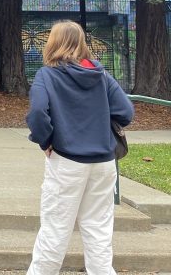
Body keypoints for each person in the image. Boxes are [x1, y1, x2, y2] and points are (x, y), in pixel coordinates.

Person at [25, 20, 134, 275]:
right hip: (104, 162)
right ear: (82, 43)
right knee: (98, 230)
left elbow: (38, 113)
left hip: (67, 161)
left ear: (52, 43)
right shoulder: (100, 74)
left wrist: (46, 140)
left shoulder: (47, 75)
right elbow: (126, 112)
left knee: (55, 230)